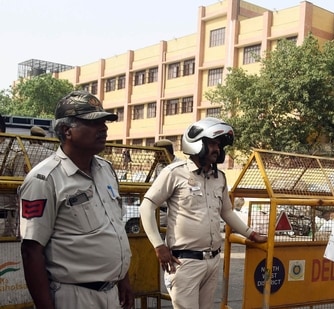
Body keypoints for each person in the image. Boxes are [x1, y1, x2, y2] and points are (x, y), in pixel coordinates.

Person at [19, 90, 133, 309]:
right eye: (93, 123)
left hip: (111, 294)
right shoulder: (45, 179)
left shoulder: (106, 169)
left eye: (104, 122)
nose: (104, 129)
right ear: (66, 130)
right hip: (74, 297)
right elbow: (31, 251)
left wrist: (123, 279)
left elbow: (114, 228)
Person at [139, 117, 266, 308]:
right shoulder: (174, 173)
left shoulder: (219, 178)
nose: (217, 149)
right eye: (212, 144)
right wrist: (159, 245)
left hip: (213, 260)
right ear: (196, 144)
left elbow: (227, 212)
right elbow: (146, 206)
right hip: (184, 263)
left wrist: (251, 233)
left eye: (219, 145)